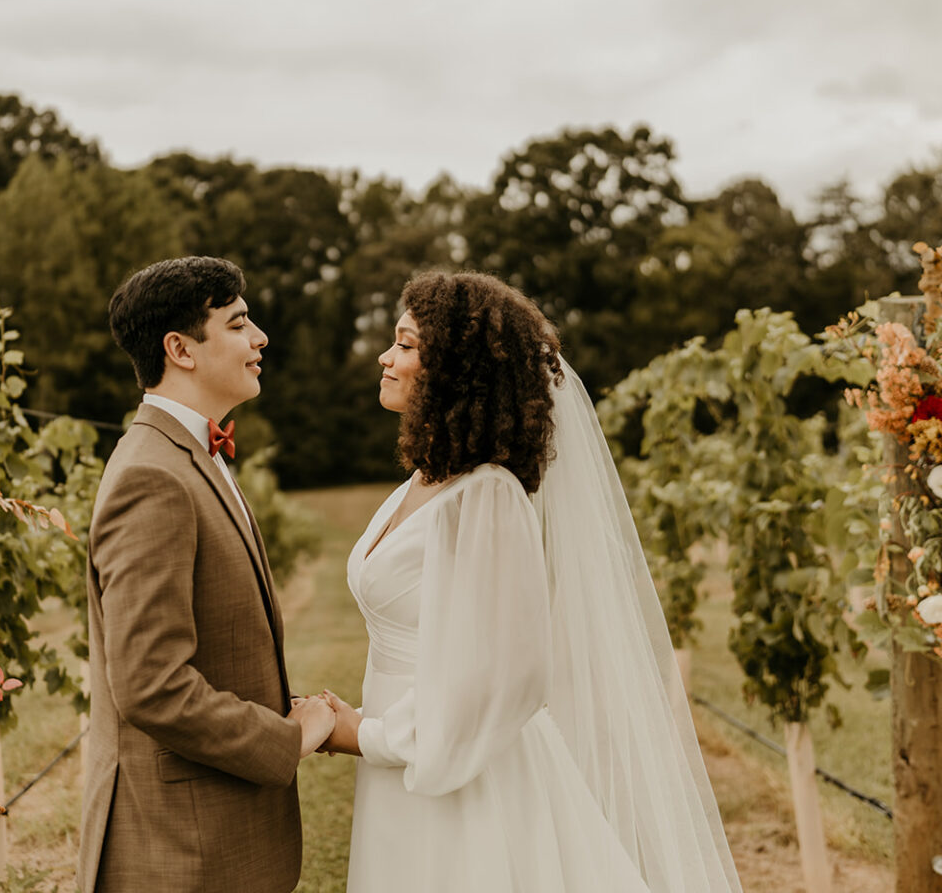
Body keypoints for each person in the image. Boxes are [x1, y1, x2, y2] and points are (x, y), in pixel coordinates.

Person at [319, 271, 743, 892]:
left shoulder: (487, 495)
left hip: (467, 774)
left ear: (456, 369)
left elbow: (504, 672)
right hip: (409, 754)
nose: (386, 357)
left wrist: (368, 734)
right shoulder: (425, 481)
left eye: (406, 345)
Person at [77, 256, 335, 893]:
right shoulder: (152, 475)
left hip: (216, 839)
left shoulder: (191, 454)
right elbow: (150, 682)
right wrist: (287, 738)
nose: (260, 339)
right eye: (239, 323)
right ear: (180, 349)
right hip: (180, 852)